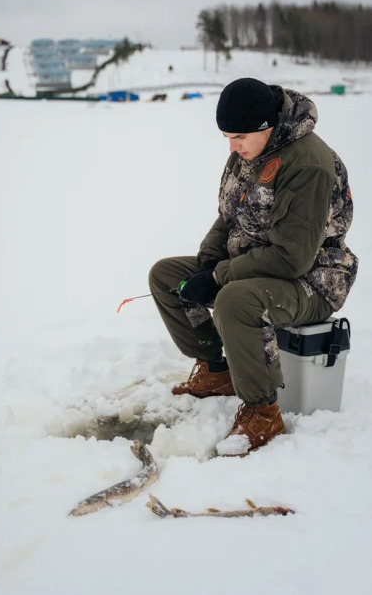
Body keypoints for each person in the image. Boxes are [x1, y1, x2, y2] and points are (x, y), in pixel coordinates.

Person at [149, 78, 357, 457]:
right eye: (227, 137)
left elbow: (292, 258)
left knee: (235, 300)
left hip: (314, 279)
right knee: (167, 277)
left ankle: (263, 411)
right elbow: (228, 216)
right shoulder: (249, 151)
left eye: (238, 137)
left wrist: (218, 276)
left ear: (267, 126)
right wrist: (207, 262)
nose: (232, 147)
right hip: (256, 264)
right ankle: (217, 371)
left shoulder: (307, 165)